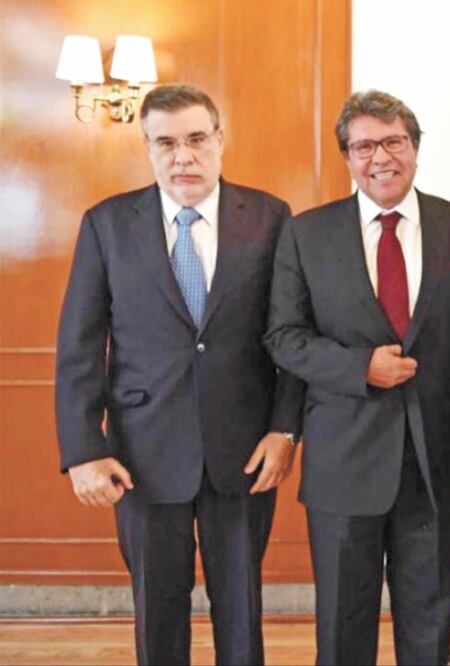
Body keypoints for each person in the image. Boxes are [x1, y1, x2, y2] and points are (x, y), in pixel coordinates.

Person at [55, 84, 304, 665]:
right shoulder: (107, 224)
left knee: (241, 611)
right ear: (146, 147)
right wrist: (83, 449)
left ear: (220, 140)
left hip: (243, 452)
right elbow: (79, 348)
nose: (182, 156)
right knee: (158, 609)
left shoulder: (270, 218)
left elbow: (292, 335)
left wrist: (285, 429)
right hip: (141, 456)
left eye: (196, 139)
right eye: (165, 142)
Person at [265, 89, 450, 666]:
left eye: (393, 142)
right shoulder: (307, 233)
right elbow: (284, 337)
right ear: (347, 157)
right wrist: (358, 367)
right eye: (364, 146)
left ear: (415, 148)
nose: (380, 157)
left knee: (429, 609)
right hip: (343, 456)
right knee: (343, 618)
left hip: (432, 454)